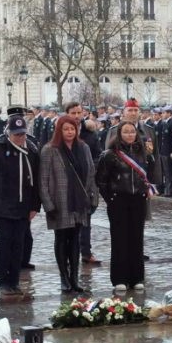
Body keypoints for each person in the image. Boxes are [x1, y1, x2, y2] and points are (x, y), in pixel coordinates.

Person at [0, 114, 41, 295]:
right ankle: (3, 281)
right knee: (5, 242)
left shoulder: (31, 151)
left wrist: (35, 206)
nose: (20, 137)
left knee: (19, 244)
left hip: (23, 206)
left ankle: (14, 281)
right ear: (9, 133)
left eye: (23, 134)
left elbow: (36, 181)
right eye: (17, 134)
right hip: (2, 206)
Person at [39, 114, 99, 293]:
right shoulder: (50, 149)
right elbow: (43, 179)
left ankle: (74, 277)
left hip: (80, 201)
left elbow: (91, 173)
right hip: (59, 201)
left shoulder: (84, 148)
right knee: (61, 239)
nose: (70, 132)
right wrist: (48, 204)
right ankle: (63, 277)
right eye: (66, 129)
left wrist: (93, 198)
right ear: (59, 130)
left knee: (75, 239)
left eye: (72, 129)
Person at [96, 121, 151, 292]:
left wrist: (144, 192)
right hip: (118, 199)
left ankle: (137, 277)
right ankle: (119, 278)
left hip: (138, 200)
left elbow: (146, 175)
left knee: (137, 238)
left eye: (132, 132)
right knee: (119, 239)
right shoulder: (110, 155)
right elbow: (101, 180)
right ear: (119, 134)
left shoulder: (142, 153)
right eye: (126, 132)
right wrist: (111, 199)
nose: (129, 135)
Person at [65, 101, 102, 266]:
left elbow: (98, 155)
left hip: (85, 182)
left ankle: (86, 252)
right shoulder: (60, 132)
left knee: (86, 219)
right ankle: (68, 253)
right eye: (73, 113)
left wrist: (90, 166)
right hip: (67, 183)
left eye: (79, 113)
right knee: (67, 221)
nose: (76, 116)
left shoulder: (90, 134)